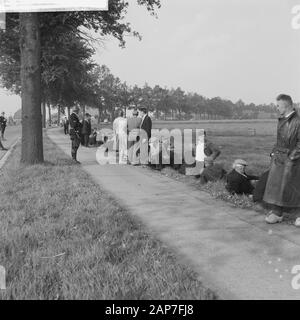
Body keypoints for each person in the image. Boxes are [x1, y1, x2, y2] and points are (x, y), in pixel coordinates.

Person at [263, 94, 300, 225]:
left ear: (287, 105)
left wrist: (291, 157)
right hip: (278, 158)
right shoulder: (281, 119)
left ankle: (298, 215)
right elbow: (279, 140)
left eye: (278, 105)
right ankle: (277, 213)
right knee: (276, 187)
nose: (276, 108)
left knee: (293, 187)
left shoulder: (298, 120)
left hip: (293, 160)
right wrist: (273, 153)